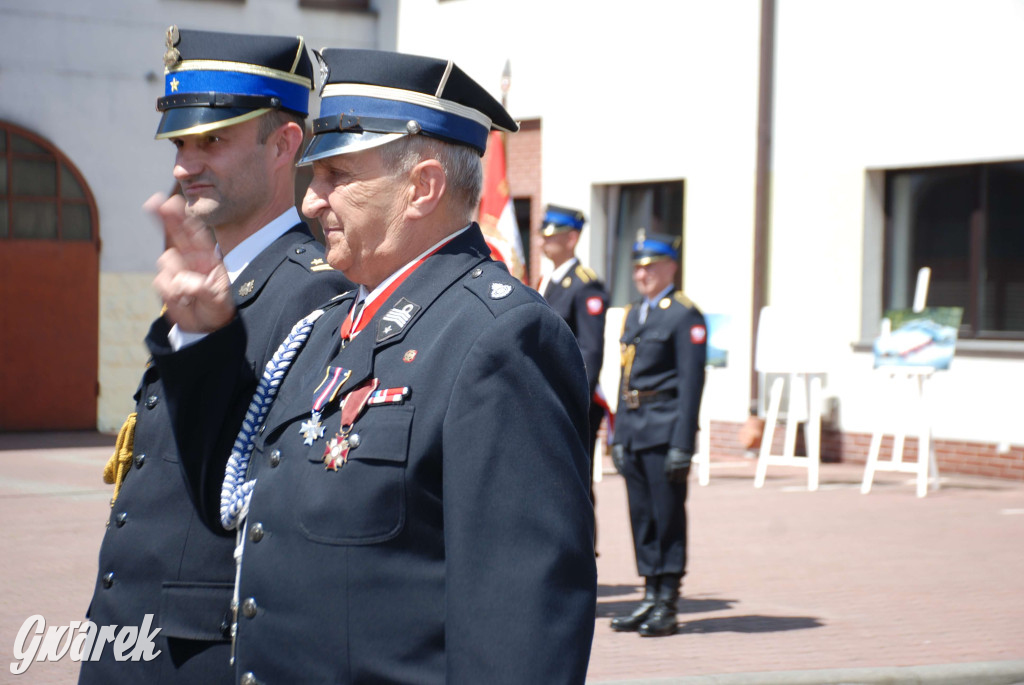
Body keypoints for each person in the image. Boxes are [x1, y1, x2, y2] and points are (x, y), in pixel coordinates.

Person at [146, 49, 597, 684]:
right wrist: (201, 339)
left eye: (337, 175)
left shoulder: (500, 338)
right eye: (314, 175)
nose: (311, 201)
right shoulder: (325, 326)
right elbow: (232, 497)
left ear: (422, 188)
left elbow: (519, 619)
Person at [80, 27, 351, 685]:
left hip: (203, 653)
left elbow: (274, 491)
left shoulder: (315, 291)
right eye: (180, 143)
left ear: (284, 144)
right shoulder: (211, 273)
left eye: (213, 141)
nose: (183, 164)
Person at [609, 230, 706, 638]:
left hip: (665, 430)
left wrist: (683, 444)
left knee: (667, 516)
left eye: (650, 266)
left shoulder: (684, 315)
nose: (641, 274)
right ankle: (649, 594)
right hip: (634, 429)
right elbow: (624, 376)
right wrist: (617, 435)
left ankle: (667, 600)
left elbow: (691, 384)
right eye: (637, 267)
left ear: (671, 267)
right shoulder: (635, 313)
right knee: (642, 517)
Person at [538, 205, 609, 532]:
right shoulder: (549, 281)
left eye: (552, 235)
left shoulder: (584, 285)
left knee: (574, 482)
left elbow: (590, 351)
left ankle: (584, 550)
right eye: (543, 234)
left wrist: (574, 399)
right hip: (549, 398)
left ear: (572, 238)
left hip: (571, 400)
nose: (544, 241)